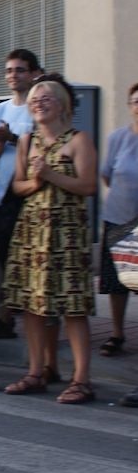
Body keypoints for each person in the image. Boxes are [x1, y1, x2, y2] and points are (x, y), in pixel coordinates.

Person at [3, 76, 98, 404]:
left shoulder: (78, 140)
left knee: (72, 307)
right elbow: (17, 186)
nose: (39, 103)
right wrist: (36, 182)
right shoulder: (26, 141)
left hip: (67, 233)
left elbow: (88, 186)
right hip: (33, 232)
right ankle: (35, 371)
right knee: (33, 306)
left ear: (61, 105)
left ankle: (82, 379)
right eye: (34, 99)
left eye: (46, 98)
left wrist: (50, 175)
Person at [0, 49, 44, 340]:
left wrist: (10, 139)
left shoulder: (39, 106)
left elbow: (39, 143)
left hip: (32, 190)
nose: (13, 75)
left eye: (20, 70)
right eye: (9, 70)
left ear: (34, 73)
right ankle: (4, 316)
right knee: (1, 256)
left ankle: (26, 312)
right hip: (2, 192)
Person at [98, 81, 138, 362]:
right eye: (136, 101)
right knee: (116, 282)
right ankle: (117, 333)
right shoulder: (118, 138)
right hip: (118, 218)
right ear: (129, 106)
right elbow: (106, 176)